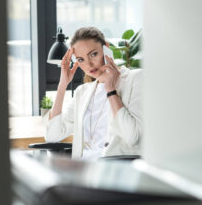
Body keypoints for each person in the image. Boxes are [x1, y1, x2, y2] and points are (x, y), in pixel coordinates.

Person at [45, 27, 142, 160]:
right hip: (82, 171)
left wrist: (111, 90)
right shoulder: (82, 92)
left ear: (106, 48)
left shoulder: (134, 79)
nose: (89, 65)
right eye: (81, 59)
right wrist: (62, 85)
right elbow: (52, 136)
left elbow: (132, 137)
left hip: (114, 170)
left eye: (93, 54)